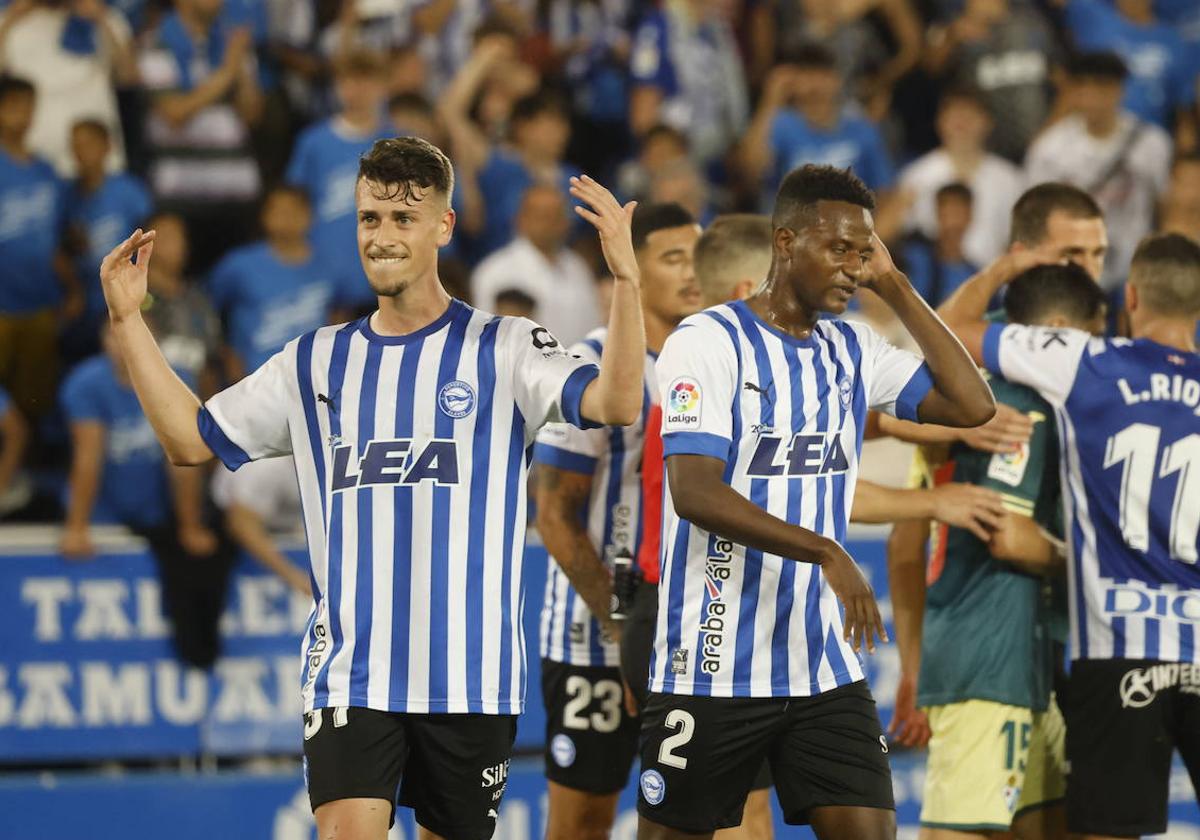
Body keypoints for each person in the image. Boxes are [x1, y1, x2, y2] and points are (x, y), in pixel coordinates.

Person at [97, 136, 646, 840]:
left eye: (402, 219)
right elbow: (189, 439)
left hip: (468, 677)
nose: (382, 237)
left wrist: (626, 283)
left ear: (443, 227)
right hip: (351, 673)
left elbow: (617, 402)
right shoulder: (314, 361)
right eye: (369, 219)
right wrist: (128, 319)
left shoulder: (504, 346)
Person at [636, 164, 995, 840]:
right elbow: (695, 490)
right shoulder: (707, 342)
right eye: (838, 249)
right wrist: (825, 550)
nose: (853, 267)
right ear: (784, 242)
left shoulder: (854, 347)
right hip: (713, 665)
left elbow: (973, 405)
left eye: (864, 252)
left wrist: (895, 282)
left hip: (822, 667)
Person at [942, 231, 1200, 840]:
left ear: (1131, 296)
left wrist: (1006, 266)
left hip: (1115, 648)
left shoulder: (1085, 359)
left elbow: (950, 328)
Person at [884, 179, 1111, 758]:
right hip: (991, 646)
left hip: (1080, 642)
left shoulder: (1105, 342)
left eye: (1098, 254)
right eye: (1071, 254)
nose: (1089, 269)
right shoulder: (983, 361)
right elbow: (909, 541)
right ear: (1023, 255)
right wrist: (914, 669)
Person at [908, 261, 1108, 840]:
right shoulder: (1026, 406)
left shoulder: (983, 387)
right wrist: (1082, 567)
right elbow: (1008, 532)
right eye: (1094, 339)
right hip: (987, 657)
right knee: (961, 830)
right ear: (1062, 330)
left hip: (1023, 659)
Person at [534, 202, 703, 840]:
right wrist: (628, 629)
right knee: (582, 823)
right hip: (593, 636)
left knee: (696, 820)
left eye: (698, 256)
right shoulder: (588, 363)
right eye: (672, 257)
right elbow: (553, 514)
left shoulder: (717, 355)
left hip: (688, 640)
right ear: (634, 265)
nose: (692, 272)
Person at [59, 319, 226, 669]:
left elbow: (184, 461)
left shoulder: (176, 378)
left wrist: (189, 524)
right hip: (104, 514)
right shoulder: (86, 384)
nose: (122, 344)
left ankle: (199, 654)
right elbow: (88, 458)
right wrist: (77, 526)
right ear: (103, 341)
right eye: (114, 336)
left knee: (197, 562)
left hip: (157, 511)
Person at [1025, 52, 1171, 295]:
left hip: (1135, 274)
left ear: (1119, 90)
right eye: (1084, 87)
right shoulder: (1049, 149)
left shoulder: (1151, 143)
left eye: (1102, 87)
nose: (1092, 98)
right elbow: (1035, 218)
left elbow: (1165, 207)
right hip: (1070, 276)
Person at [138, 0, 263, 272]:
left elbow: (252, 114)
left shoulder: (231, 43)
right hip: (182, 194)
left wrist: (240, 69)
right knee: (183, 287)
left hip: (235, 193)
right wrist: (227, 73)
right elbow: (174, 113)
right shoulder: (156, 43)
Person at [285, 48, 394, 314]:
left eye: (366, 80)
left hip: (388, 270)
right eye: (349, 80)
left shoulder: (399, 142)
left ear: (382, 86)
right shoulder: (313, 143)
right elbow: (294, 204)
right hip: (326, 275)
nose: (358, 90)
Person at [0, 75, 79, 423]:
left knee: (34, 398)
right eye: (14, 106)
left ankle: (28, 470)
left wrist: (73, 288)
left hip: (41, 303)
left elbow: (53, 241)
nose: (24, 115)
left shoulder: (47, 172)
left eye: (29, 106)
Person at [737, 45, 894, 209]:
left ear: (837, 80)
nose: (815, 83)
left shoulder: (861, 129)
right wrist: (771, 99)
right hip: (792, 226)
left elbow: (884, 192)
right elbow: (750, 170)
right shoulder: (781, 124)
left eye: (823, 74)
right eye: (807, 73)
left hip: (848, 227)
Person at [207, 185, 335, 381]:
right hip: (254, 382)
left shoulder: (329, 266)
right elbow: (205, 307)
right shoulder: (238, 265)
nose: (287, 218)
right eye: (279, 210)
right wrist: (227, 354)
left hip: (312, 384)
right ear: (264, 216)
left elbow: (340, 314)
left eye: (293, 210)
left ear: (309, 215)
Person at [0, 0, 138, 176]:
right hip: (33, 160)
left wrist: (100, 19)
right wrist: (11, 18)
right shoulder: (7, 21)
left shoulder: (107, 19)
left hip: (96, 164)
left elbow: (128, 77)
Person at [893, 88, 1024, 268]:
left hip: (993, 285)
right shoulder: (917, 176)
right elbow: (892, 236)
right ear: (939, 121)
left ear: (988, 122)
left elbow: (1019, 242)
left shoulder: (1010, 179)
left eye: (970, 113)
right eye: (954, 113)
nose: (962, 120)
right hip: (929, 288)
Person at [66, 118, 153, 362]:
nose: (81, 152)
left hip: (127, 291)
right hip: (87, 301)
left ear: (107, 146)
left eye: (88, 144)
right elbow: (65, 249)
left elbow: (150, 237)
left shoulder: (128, 190)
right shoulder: (69, 196)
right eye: (75, 146)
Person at [470, 183, 600, 346]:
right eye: (543, 216)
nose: (551, 224)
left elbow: (593, 326)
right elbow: (487, 340)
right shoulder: (494, 271)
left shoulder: (578, 267)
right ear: (520, 219)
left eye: (557, 215)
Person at [628, 0, 748, 170]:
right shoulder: (658, 28)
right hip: (675, 166)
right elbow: (643, 120)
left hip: (719, 160)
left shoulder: (719, 33)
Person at [211, 455, 312, 596]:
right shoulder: (267, 465)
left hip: (287, 531)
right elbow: (240, 524)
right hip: (225, 538)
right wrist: (295, 578)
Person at [899, 183, 980, 308]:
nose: (952, 223)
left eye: (958, 214)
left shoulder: (974, 275)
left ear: (969, 216)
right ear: (937, 214)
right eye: (947, 214)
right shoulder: (913, 258)